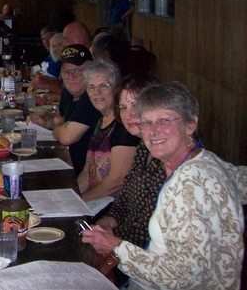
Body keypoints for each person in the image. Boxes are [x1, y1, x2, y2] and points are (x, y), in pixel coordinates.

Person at [82, 82, 247, 290]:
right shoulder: (203, 159)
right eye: (147, 123)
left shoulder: (188, 185)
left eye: (164, 121)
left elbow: (183, 277)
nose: (153, 132)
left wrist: (115, 247)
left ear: (190, 125)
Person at [96, 72, 164, 264]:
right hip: (122, 246)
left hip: (140, 259)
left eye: (136, 105)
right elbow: (125, 199)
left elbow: (146, 229)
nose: (129, 114)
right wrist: (107, 221)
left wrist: (113, 241)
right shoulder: (143, 147)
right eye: (123, 107)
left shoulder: (165, 156)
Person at [29, 44, 101, 176]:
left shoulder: (92, 98)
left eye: (78, 70)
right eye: (66, 71)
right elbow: (61, 119)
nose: (71, 76)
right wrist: (45, 122)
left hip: (81, 173)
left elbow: (67, 137)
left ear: (91, 72)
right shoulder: (68, 93)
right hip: (66, 162)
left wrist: (57, 125)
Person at [76, 59, 139, 201]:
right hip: (96, 201)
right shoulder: (100, 122)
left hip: (115, 209)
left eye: (103, 86)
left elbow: (116, 181)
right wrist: (71, 199)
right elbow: (87, 172)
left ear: (116, 89)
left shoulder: (125, 126)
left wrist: (79, 202)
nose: (96, 92)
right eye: (91, 87)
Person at [30, 30, 64, 95]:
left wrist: (47, 84)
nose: (56, 49)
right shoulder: (61, 62)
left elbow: (69, 95)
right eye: (54, 46)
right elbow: (59, 83)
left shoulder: (71, 64)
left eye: (60, 44)